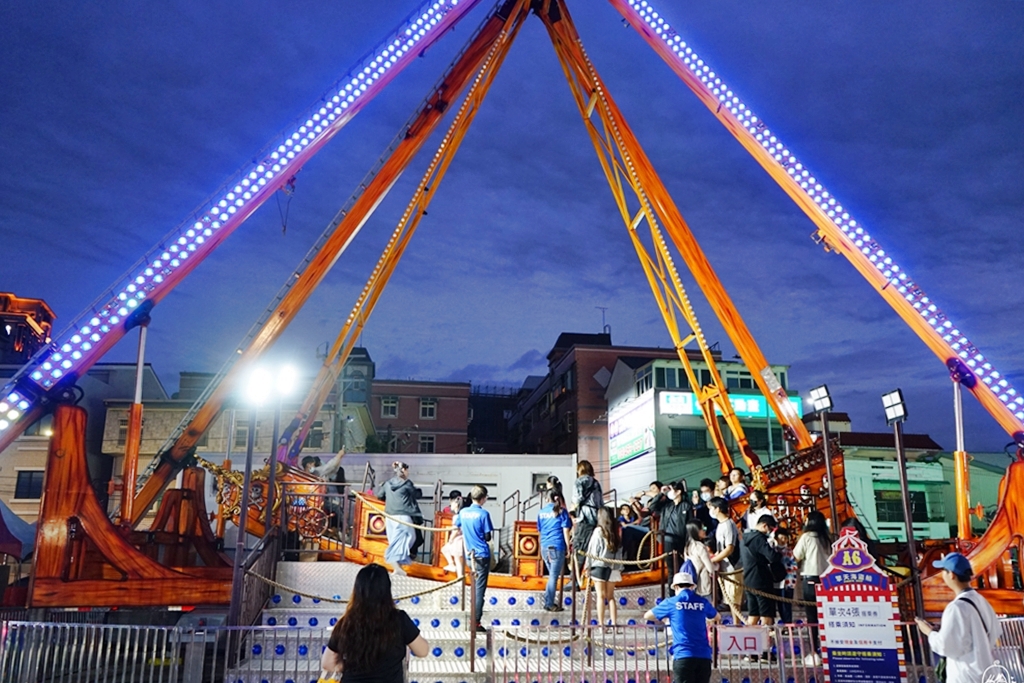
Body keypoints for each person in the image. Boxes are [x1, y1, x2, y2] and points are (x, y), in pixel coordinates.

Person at [320, 563, 429, 683]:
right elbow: (422, 651)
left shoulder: (346, 623)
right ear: (387, 590)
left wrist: (350, 667)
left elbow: (327, 663)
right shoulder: (399, 620)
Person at [916, 552, 1001, 683]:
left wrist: (928, 631)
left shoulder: (956, 607)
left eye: (943, 571)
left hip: (966, 675)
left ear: (951, 574)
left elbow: (945, 646)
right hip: (987, 671)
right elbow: (993, 631)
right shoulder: (981, 600)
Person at [644, 570, 719, 683]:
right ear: (692, 586)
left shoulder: (671, 602)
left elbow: (648, 615)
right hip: (704, 656)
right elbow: (717, 616)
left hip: (683, 654)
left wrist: (666, 618)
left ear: (676, 587)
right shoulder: (702, 602)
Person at [793, 511, 830, 663]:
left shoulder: (807, 537)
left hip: (810, 579)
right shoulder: (827, 538)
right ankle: (829, 649)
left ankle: (814, 653)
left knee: (812, 617)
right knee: (826, 616)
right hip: (827, 580)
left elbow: (796, 555)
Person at [455, 485, 494, 632]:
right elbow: (488, 536)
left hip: (469, 554)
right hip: (482, 554)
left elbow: (456, 524)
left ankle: (473, 618)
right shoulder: (484, 514)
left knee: (474, 587)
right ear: (483, 498)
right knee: (479, 590)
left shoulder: (464, 512)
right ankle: (475, 622)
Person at [740, 513, 781, 627]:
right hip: (761, 580)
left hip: (748, 579)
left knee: (753, 614)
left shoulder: (744, 538)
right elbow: (772, 556)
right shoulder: (759, 538)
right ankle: (765, 641)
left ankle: (749, 639)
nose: (770, 532)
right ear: (764, 525)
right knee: (766, 614)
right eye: (771, 529)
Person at [379, 462, 420, 575]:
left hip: (390, 516)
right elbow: (416, 494)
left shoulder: (387, 484)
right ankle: (396, 565)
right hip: (403, 516)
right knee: (410, 537)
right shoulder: (407, 483)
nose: (408, 473)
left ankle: (398, 566)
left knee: (395, 541)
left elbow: (379, 495)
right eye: (407, 470)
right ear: (403, 471)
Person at [708, 497, 744, 623]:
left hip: (733, 567)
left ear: (717, 509)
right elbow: (721, 547)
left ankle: (737, 624)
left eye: (711, 508)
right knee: (729, 598)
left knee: (734, 599)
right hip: (724, 566)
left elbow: (729, 548)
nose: (710, 511)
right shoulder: (720, 525)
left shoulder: (728, 524)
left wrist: (713, 560)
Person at [536, 488, 572, 612]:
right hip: (557, 546)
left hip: (545, 547)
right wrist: (568, 547)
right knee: (553, 576)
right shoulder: (562, 512)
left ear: (547, 498)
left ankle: (549, 600)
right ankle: (549, 603)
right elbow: (566, 531)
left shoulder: (541, 512)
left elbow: (540, 531)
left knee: (552, 575)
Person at [586, 506, 622, 625]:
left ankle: (601, 625)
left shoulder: (598, 531)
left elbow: (592, 550)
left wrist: (588, 566)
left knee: (600, 596)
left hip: (600, 565)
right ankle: (614, 624)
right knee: (611, 597)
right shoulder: (616, 531)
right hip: (614, 566)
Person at [649, 481, 692, 576]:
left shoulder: (686, 506)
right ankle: (671, 590)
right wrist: (661, 493)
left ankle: (682, 590)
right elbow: (652, 507)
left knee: (682, 568)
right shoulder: (667, 506)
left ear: (678, 491)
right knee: (671, 570)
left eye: (671, 489)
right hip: (668, 540)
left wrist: (689, 542)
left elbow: (690, 524)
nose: (669, 492)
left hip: (681, 540)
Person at [571, 460, 603, 571]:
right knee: (593, 548)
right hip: (596, 518)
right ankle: (591, 576)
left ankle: (575, 579)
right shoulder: (596, 483)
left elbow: (577, 499)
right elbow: (600, 502)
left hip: (584, 518)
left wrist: (573, 508)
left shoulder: (579, 481)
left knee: (579, 547)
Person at [771, 526, 798, 623]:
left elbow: (794, 566)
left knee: (787, 605)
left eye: (785, 538)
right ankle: (783, 622)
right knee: (779, 604)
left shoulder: (789, 551)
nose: (783, 540)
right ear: (776, 538)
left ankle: (788, 623)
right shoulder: (771, 551)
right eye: (781, 538)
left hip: (787, 582)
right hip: (775, 582)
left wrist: (792, 582)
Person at [683, 522, 714, 598]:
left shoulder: (687, 547)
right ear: (696, 531)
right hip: (703, 584)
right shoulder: (700, 547)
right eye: (702, 529)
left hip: (692, 582)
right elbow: (710, 568)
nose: (704, 530)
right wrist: (717, 566)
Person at [440, 495, 465, 577]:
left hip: (457, 539)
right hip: (462, 539)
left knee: (458, 560)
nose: (451, 505)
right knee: (446, 550)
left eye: (452, 503)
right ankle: (452, 565)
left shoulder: (456, 517)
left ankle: (459, 576)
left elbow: (456, 529)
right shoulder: (463, 515)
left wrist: (451, 539)